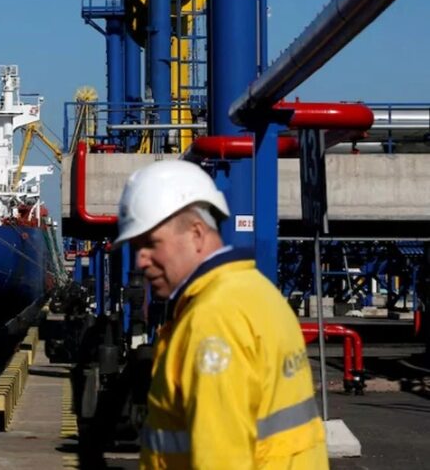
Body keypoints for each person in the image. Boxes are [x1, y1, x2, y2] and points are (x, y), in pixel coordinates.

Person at [115, 160, 328, 469]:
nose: (141, 260)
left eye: (151, 244)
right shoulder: (257, 291)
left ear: (196, 234)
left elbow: (222, 459)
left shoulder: (212, 320)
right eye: (137, 247)